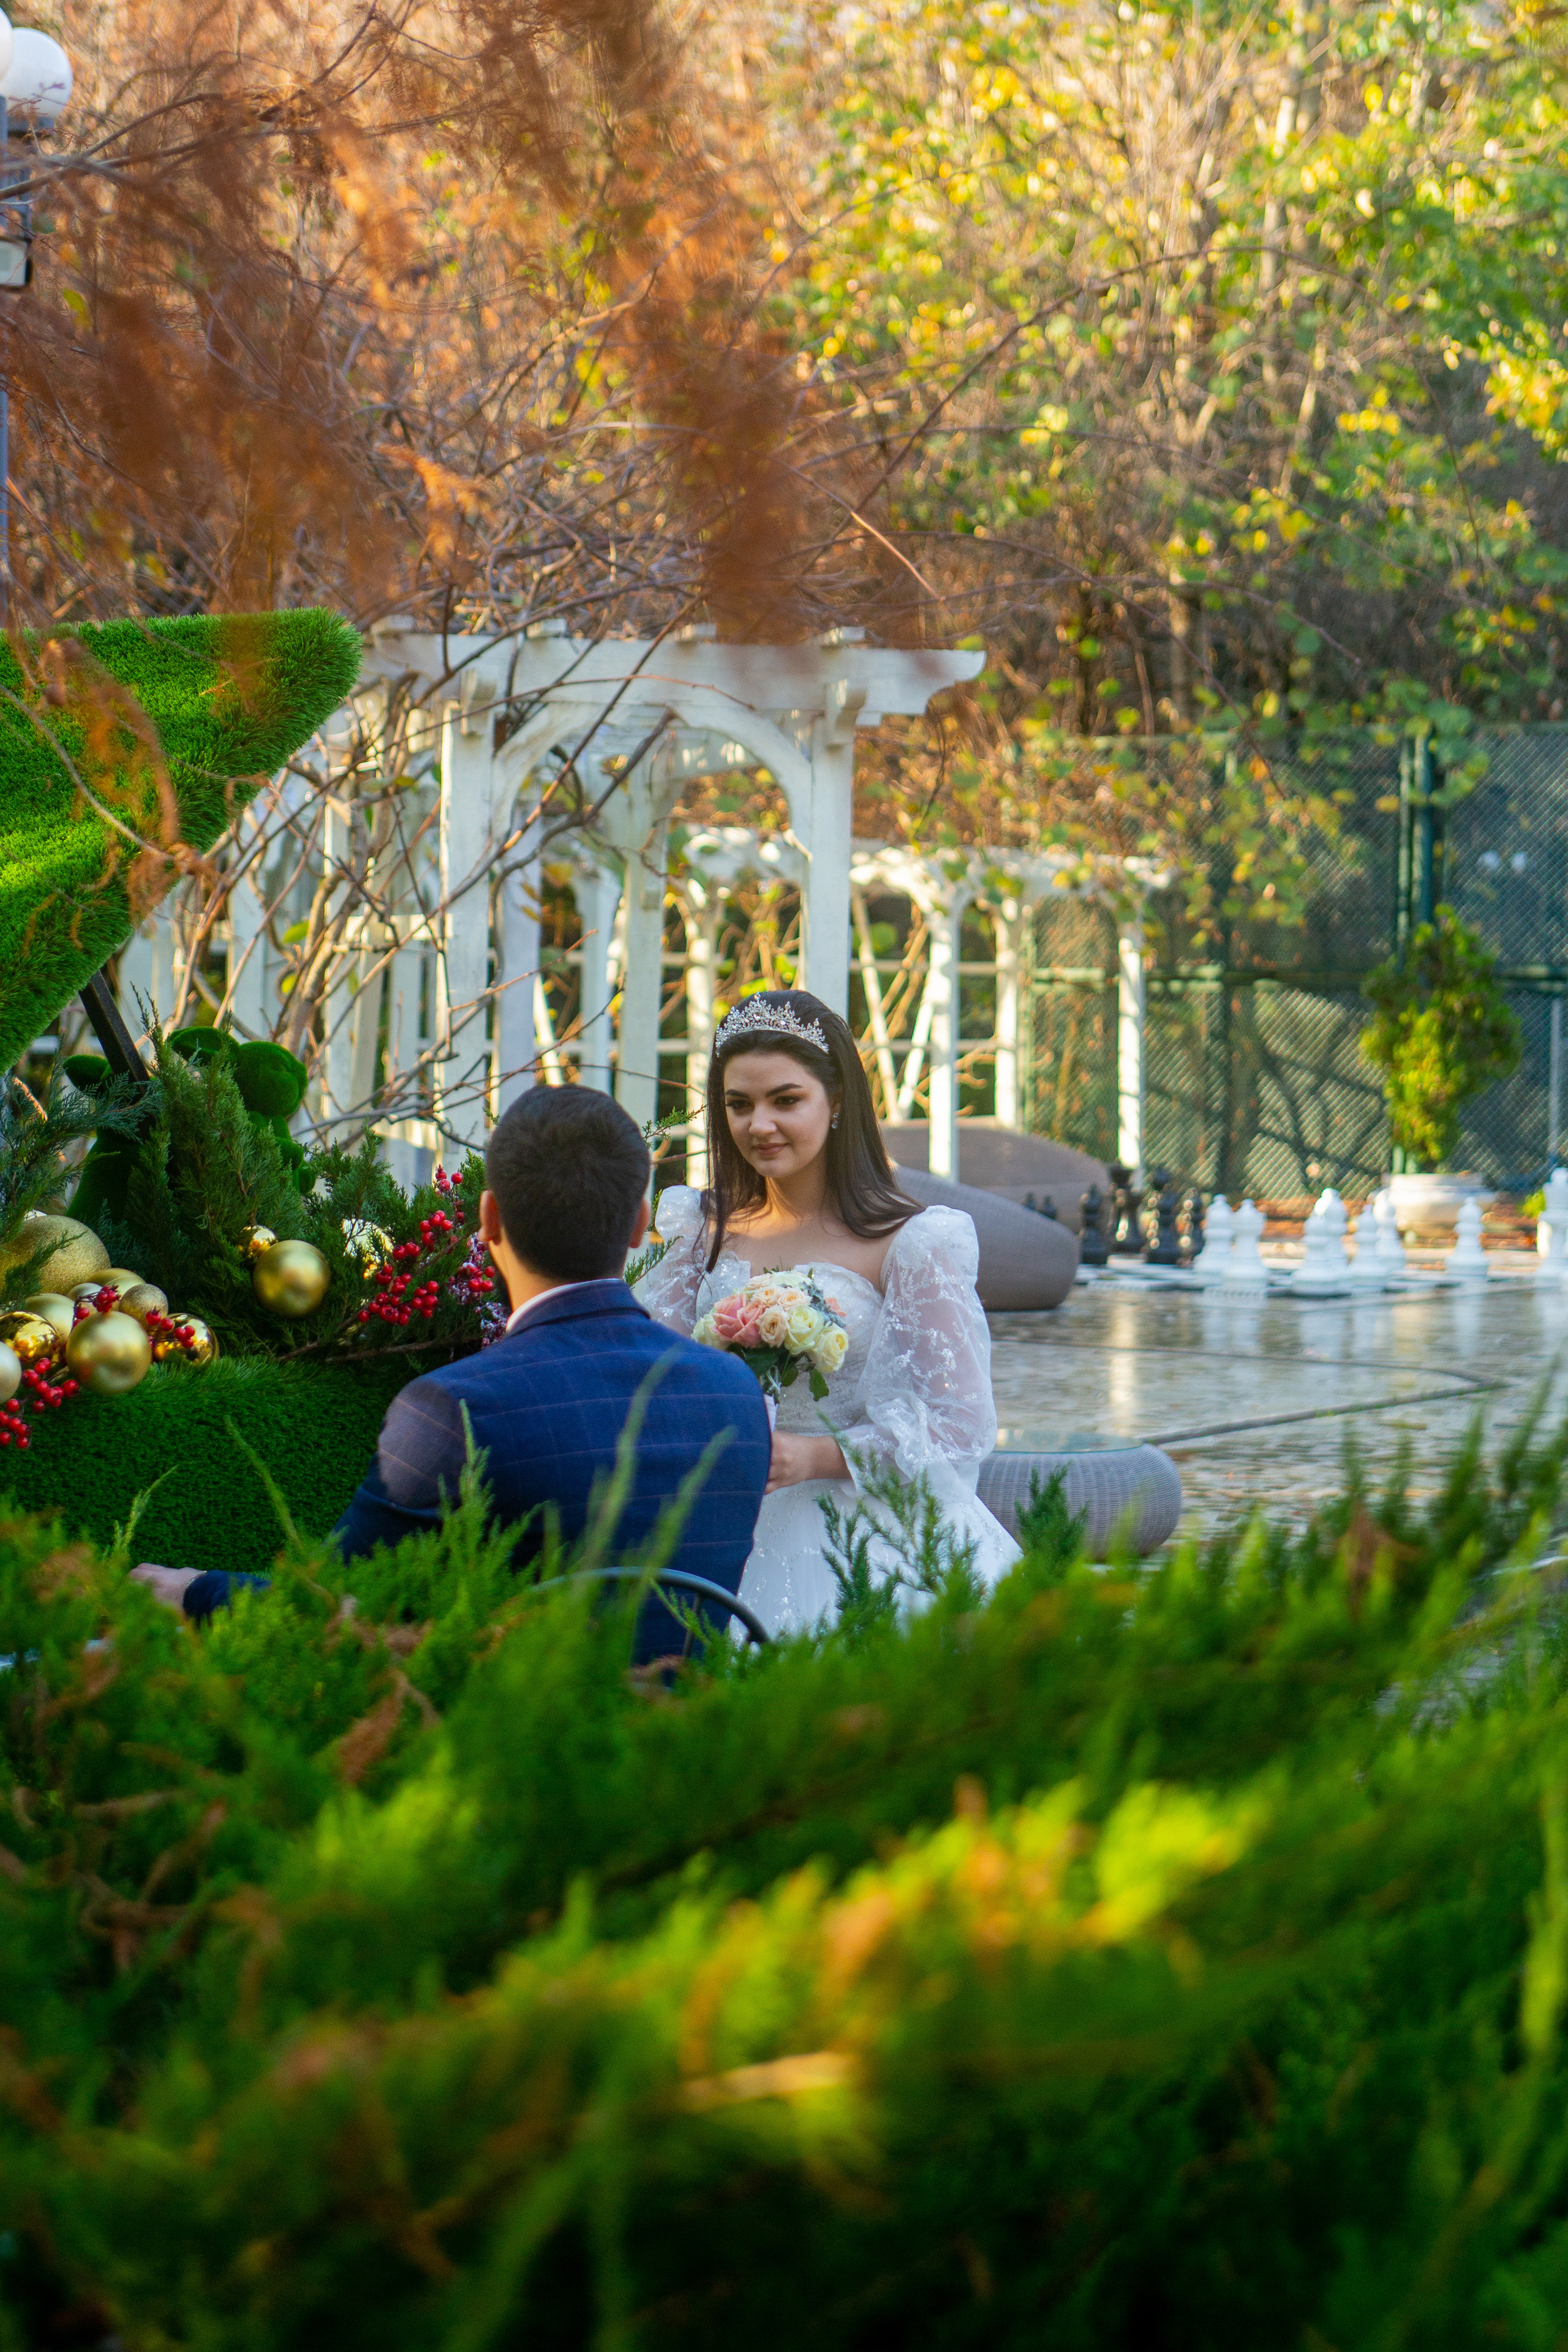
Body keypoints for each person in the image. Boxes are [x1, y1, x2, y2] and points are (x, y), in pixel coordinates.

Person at [130, 1087, 772, 1662]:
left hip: (510, 1745)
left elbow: (329, 1612)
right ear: (638, 1225)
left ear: (488, 1220)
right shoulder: (735, 1391)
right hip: (698, 1744)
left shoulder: (457, 1406)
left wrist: (194, 1591)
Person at [635, 987, 1019, 1634]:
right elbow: (653, 1374)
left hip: (868, 1534)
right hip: (720, 1519)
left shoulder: (911, 1243)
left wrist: (814, 1458)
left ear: (836, 1101)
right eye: (739, 1104)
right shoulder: (698, 1231)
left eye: (785, 1100)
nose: (759, 1125)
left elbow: (960, 1426)